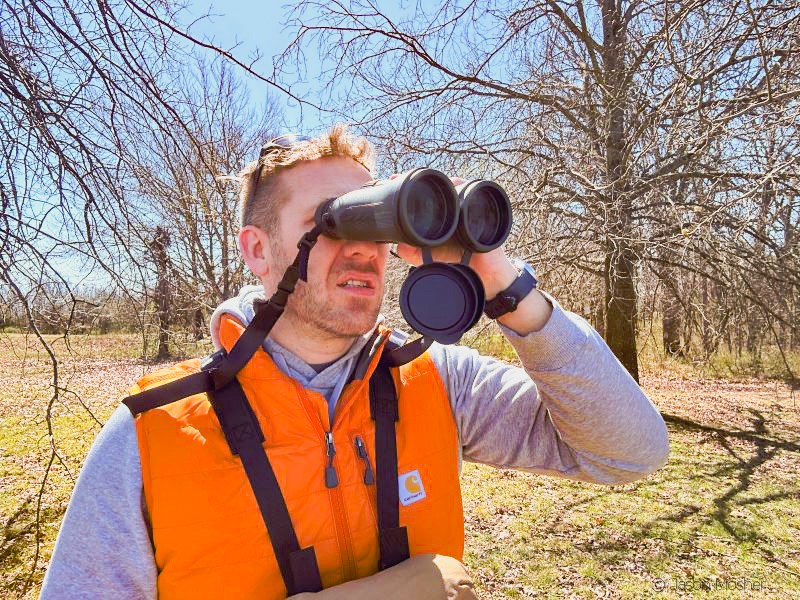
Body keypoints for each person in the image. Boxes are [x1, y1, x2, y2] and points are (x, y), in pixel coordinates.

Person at [39, 126, 669, 600]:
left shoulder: (437, 381)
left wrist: (507, 288)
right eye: (329, 222)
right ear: (258, 250)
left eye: (374, 220)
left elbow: (629, 452)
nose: (362, 247)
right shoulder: (153, 435)